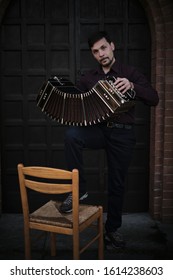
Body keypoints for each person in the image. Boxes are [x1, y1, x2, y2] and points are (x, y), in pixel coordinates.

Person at [59, 31, 159, 249]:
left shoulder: (130, 73)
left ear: (112, 46)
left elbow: (154, 98)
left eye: (103, 48)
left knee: (117, 183)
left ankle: (112, 230)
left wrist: (133, 86)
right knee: (72, 135)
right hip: (98, 130)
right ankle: (79, 190)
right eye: (95, 51)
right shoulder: (88, 78)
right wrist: (64, 93)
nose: (100, 54)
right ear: (93, 55)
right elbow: (76, 105)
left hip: (123, 133)